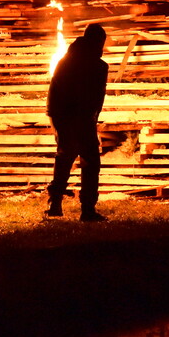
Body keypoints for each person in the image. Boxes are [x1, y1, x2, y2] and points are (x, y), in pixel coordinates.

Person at [45, 23, 109, 221]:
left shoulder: (65, 62)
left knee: (64, 160)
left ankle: (56, 203)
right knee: (89, 163)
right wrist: (90, 117)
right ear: (98, 41)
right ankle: (87, 210)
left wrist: (54, 118)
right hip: (78, 119)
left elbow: (53, 92)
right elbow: (96, 97)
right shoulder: (98, 66)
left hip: (66, 118)